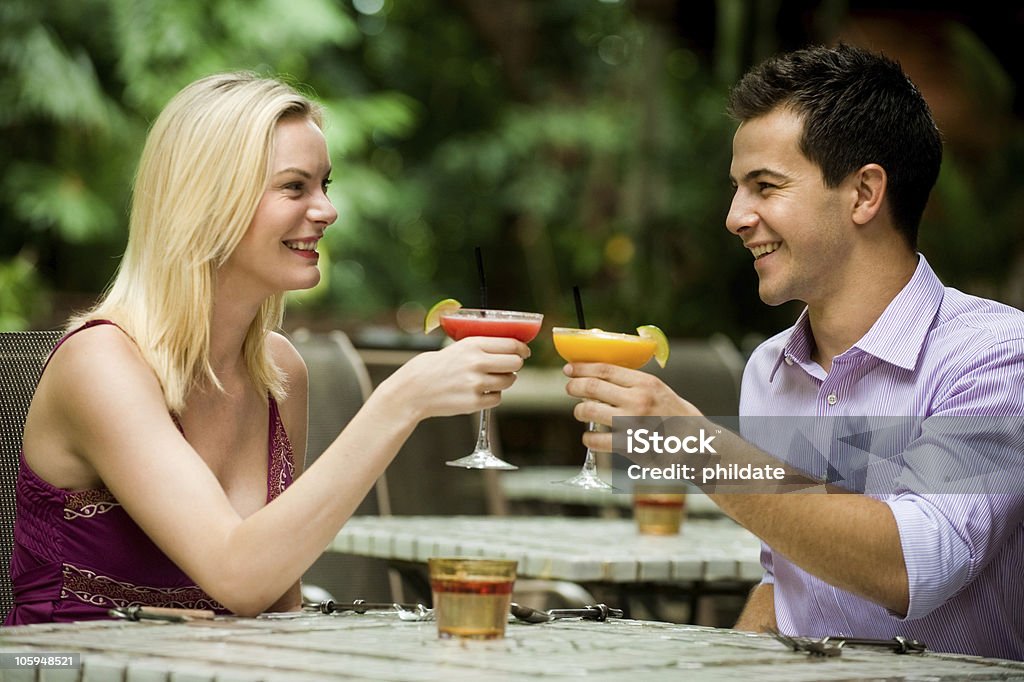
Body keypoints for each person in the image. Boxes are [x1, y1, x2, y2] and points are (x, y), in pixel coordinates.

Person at [5, 72, 530, 624]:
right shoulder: (103, 364)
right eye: (294, 187)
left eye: (325, 184)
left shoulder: (278, 373)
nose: (327, 210)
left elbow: (278, 600)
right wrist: (398, 402)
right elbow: (241, 579)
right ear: (206, 202)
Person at [562, 44, 1024, 659]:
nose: (734, 217)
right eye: (737, 189)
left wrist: (691, 444)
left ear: (864, 193)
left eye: (765, 186)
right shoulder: (770, 369)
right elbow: (789, 586)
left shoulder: (996, 355)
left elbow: (913, 564)